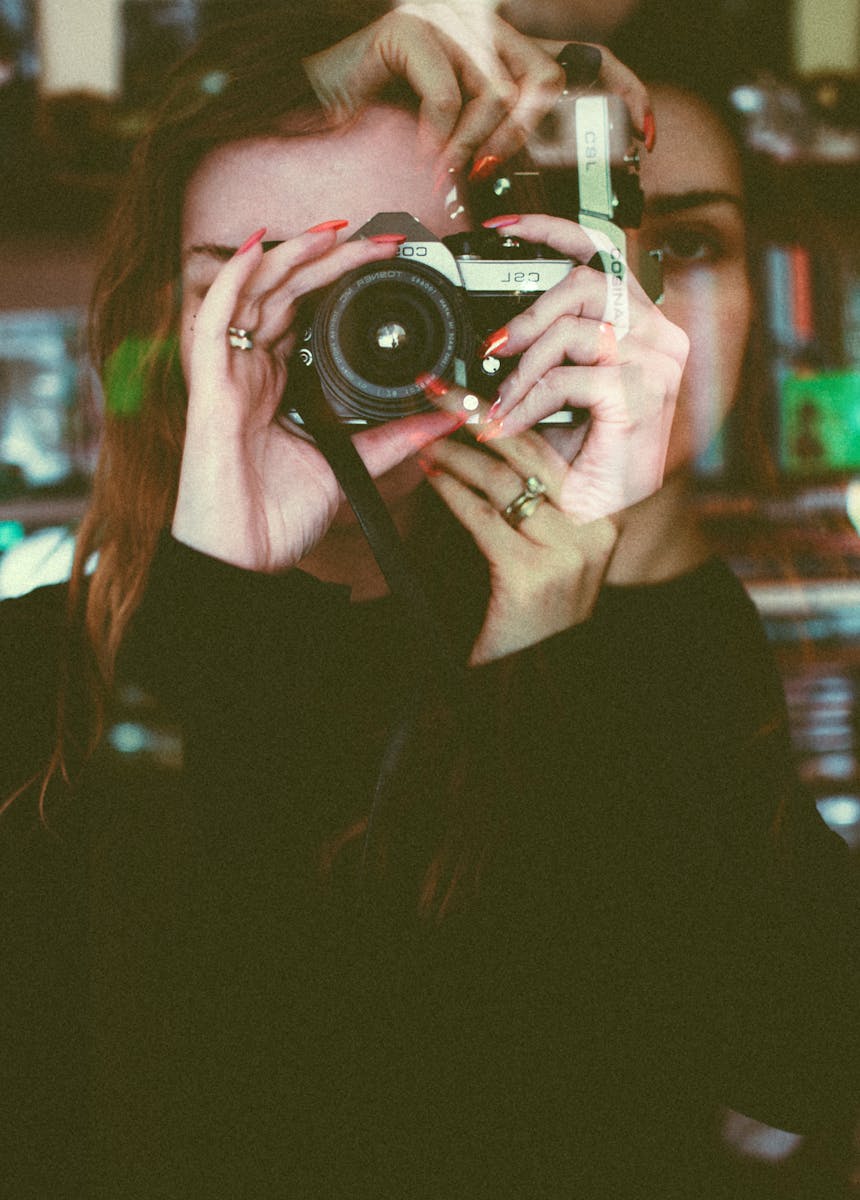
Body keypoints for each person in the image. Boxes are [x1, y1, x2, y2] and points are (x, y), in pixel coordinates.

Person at [1, 6, 855, 1198]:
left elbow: (809, 1057)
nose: (319, 345)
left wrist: (605, 557)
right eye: (252, 294)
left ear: (505, 304)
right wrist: (217, 608)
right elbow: (122, 1117)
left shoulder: (630, 645)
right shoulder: (27, 683)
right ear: (160, 331)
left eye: (389, 286)